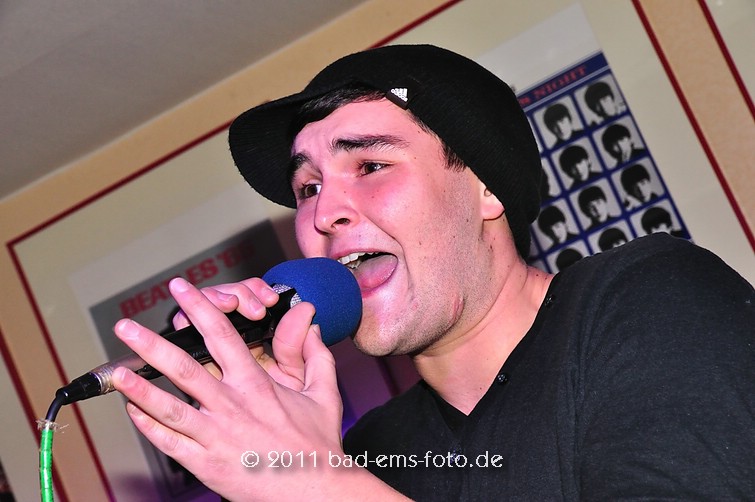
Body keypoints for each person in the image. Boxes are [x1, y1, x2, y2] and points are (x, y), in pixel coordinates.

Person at [110, 45, 755, 501]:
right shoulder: (372, 453)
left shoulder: (649, 295)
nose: (323, 213)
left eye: (370, 166)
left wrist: (318, 484)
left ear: (485, 189)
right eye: (307, 188)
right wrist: (274, 439)